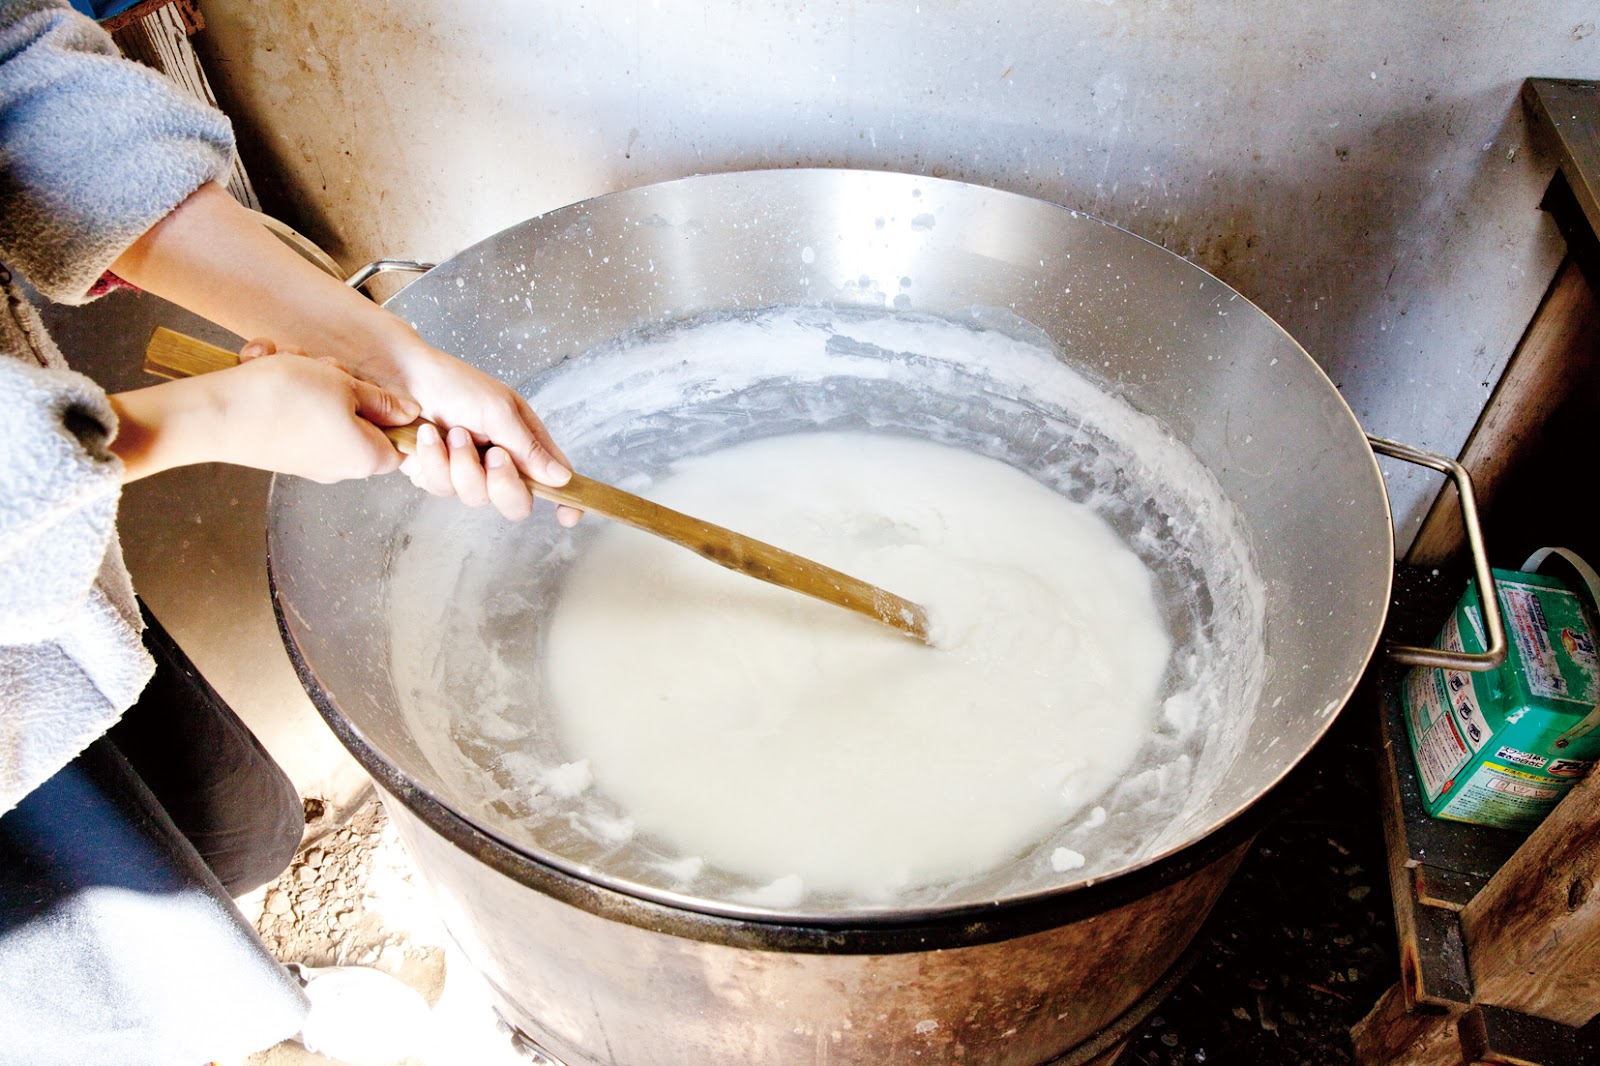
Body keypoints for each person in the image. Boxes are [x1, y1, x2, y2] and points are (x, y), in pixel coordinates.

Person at [0, 1, 571, 1061]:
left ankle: (258, 991)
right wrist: (200, 417)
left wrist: (371, 345)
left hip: (45, 568)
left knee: (215, 823)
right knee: (99, 994)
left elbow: (7, 64)